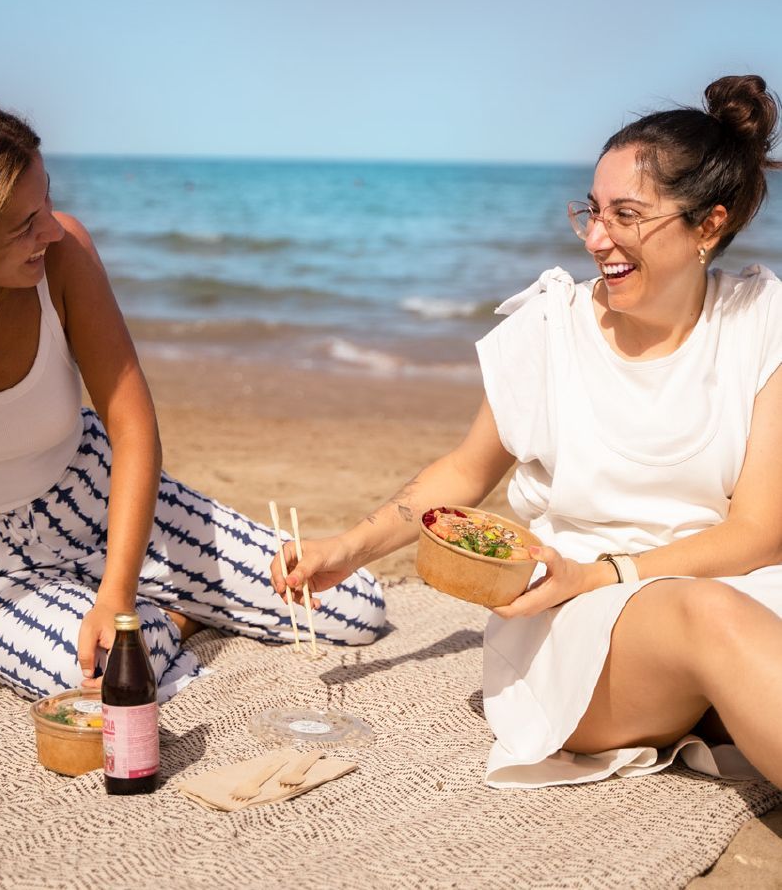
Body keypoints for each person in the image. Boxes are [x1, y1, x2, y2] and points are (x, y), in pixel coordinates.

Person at [0, 94, 386, 767]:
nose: (49, 230)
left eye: (46, 203)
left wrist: (117, 593)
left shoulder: (64, 256)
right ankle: (173, 614)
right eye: (22, 224)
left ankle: (155, 600)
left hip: (98, 495)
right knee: (126, 671)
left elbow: (133, 428)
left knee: (353, 608)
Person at [272, 74, 782, 789]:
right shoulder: (549, 329)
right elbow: (465, 474)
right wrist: (345, 548)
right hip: (581, 616)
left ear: (707, 226)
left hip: (734, 587)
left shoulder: (760, 321)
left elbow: (759, 531)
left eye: (627, 215)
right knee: (707, 613)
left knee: (721, 608)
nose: (598, 238)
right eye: (592, 211)